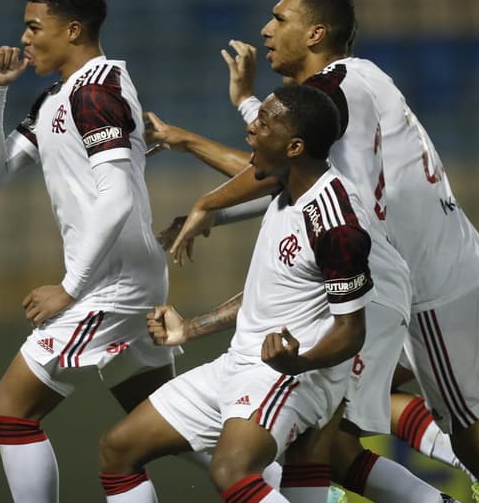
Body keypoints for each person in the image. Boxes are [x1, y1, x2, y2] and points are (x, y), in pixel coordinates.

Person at [168, 0, 479, 503]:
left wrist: (206, 199)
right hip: (413, 280)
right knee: (328, 439)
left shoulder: (341, 84)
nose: (265, 29)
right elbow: (292, 166)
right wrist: (243, 109)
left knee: (477, 445)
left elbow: (285, 168)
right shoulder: (353, 85)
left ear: (317, 32)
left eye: (280, 19)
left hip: (431, 287)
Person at [98, 84, 374, 503]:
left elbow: (352, 331)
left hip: (290, 375)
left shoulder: (336, 225)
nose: (251, 131)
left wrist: (297, 361)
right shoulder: (286, 189)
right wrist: (190, 328)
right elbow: (268, 295)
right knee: (118, 449)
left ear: (295, 146)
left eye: (263, 124)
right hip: (237, 364)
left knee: (232, 470)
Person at [0, 0, 180, 503]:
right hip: (125, 276)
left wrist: (69, 287)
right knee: (171, 423)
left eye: (33, 26)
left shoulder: (96, 91)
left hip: (109, 283)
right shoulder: (57, 97)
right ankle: (295, 491)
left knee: (11, 412)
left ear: (73, 29)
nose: (23, 37)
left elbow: (117, 200)